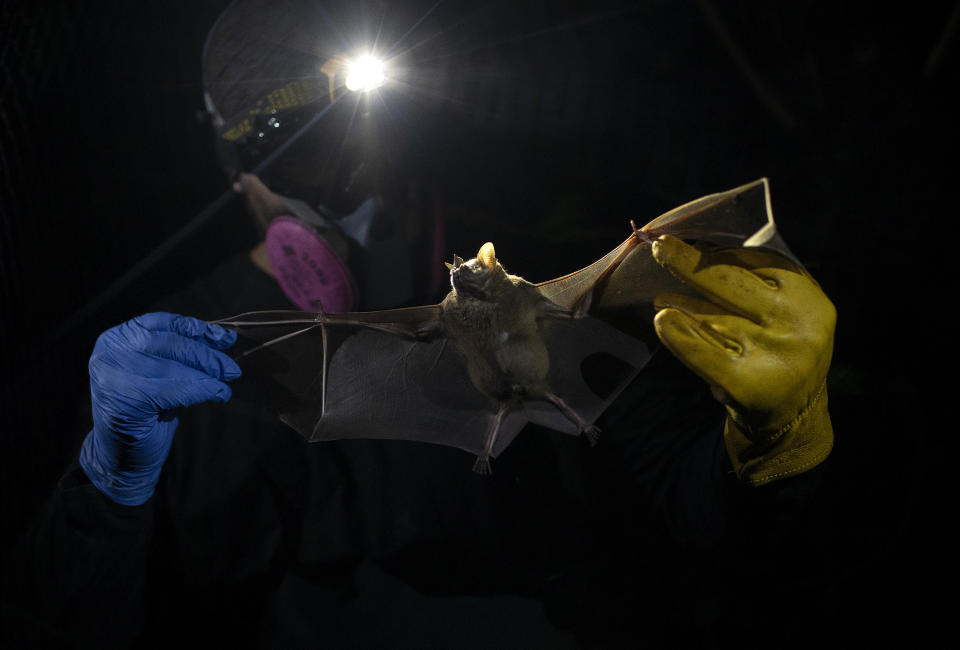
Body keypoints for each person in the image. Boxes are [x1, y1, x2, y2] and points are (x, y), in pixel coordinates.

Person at [2, 2, 837, 647]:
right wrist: (106, 492)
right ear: (238, 167)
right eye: (291, 142)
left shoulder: (525, 273)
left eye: (361, 117)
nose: (349, 170)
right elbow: (76, 628)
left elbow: (694, 514)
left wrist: (774, 451)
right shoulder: (177, 357)